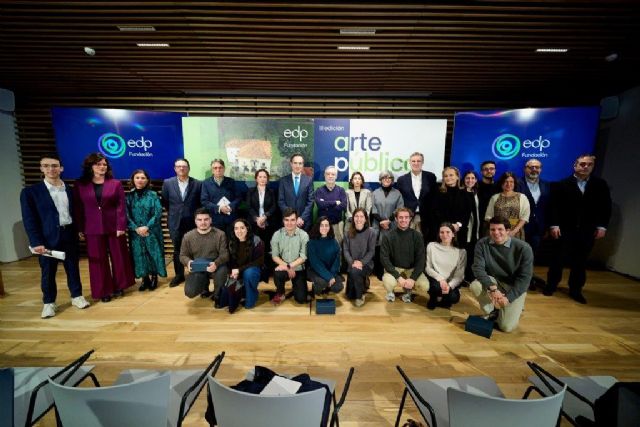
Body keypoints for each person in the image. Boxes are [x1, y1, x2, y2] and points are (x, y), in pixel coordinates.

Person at [20, 153, 90, 318]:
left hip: (69, 233)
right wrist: (36, 241)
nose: (51, 169)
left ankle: (77, 296)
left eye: (54, 165)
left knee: (72, 268)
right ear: (41, 168)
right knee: (48, 271)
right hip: (46, 238)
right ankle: (49, 302)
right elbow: (29, 220)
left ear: (61, 168)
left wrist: (80, 229)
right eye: (46, 166)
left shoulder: (71, 191)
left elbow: (77, 213)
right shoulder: (31, 192)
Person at [545, 154, 612, 304]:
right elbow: (554, 207)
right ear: (575, 165)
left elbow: (605, 207)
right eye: (582, 164)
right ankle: (551, 285)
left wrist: (602, 226)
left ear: (593, 166)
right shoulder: (562, 184)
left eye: (589, 164)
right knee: (558, 259)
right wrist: (554, 225)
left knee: (580, 262)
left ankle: (575, 290)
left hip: (587, 231)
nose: (585, 167)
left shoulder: (600, 185)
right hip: (564, 229)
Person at [73, 153, 134, 303]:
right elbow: (78, 208)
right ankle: (103, 290)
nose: (102, 167)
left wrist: (121, 225)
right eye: (98, 164)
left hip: (114, 226)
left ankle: (120, 285)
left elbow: (121, 206)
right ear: (91, 166)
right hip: (91, 227)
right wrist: (80, 228)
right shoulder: (80, 185)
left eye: (104, 164)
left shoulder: (115, 183)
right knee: (97, 260)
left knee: (119, 257)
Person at [470, 216, 534, 333]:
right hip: (494, 283)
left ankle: (513, 309)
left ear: (508, 231)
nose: (496, 233)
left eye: (500, 229)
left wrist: (509, 298)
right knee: (475, 285)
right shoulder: (482, 244)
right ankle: (492, 312)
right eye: (492, 229)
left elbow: (525, 279)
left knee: (506, 327)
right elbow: (478, 268)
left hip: (514, 286)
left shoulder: (524, 248)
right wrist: (493, 289)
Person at [161, 158, 202, 287]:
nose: (181, 168)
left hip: (192, 222)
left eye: (184, 166)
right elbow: (165, 202)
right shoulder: (167, 183)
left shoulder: (198, 184)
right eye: (179, 166)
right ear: (175, 169)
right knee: (177, 250)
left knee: (195, 249)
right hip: (175, 222)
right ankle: (179, 275)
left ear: (188, 168)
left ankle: (196, 274)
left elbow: (200, 203)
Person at [126, 169, 167, 291]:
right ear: (133, 179)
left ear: (147, 180)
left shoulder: (153, 195)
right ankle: (144, 279)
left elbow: (158, 212)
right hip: (136, 232)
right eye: (137, 177)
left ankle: (154, 277)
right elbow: (126, 214)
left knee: (153, 253)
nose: (140, 180)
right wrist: (135, 228)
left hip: (152, 230)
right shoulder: (129, 196)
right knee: (139, 255)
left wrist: (147, 226)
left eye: (143, 178)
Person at [180, 208, 229, 306]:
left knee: (222, 271)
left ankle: (217, 294)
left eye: (206, 219)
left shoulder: (220, 234)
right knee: (190, 292)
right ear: (195, 221)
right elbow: (182, 255)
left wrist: (216, 263)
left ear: (211, 220)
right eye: (199, 220)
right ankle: (204, 289)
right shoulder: (188, 236)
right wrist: (188, 262)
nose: (203, 222)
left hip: (215, 264)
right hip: (198, 266)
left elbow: (225, 255)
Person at [380, 207, 429, 303]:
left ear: (410, 218)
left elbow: (421, 260)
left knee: (424, 286)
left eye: (406, 217)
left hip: (411, 269)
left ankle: (408, 291)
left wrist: (413, 279)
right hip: (395, 268)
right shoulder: (388, 236)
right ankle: (390, 292)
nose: (403, 220)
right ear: (396, 219)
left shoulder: (417, 236)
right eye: (401, 217)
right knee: (388, 283)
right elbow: (384, 259)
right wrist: (398, 277)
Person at [517, 159, 551, 289]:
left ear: (541, 169)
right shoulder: (517, 183)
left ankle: (528, 278)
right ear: (525, 169)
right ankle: (518, 279)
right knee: (519, 254)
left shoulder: (547, 185)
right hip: (521, 227)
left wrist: (547, 226)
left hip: (538, 227)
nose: (534, 170)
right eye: (531, 167)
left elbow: (549, 207)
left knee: (532, 254)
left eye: (537, 167)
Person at [270, 208, 309, 305]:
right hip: (284, 267)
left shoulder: (304, 235)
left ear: (297, 220)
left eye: (292, 220)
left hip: (299, 268)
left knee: (301, 299)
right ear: (283, 221)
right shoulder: (277, 235)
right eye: (286, 220)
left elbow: (303, 257)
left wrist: (290, 266)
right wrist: (287, 268)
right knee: (277, 273)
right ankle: (281, 292)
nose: (289, 223)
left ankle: (298, 286)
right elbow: (275, 256)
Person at [371, 170, 404, 279]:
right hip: (378, 225)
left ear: (392, 180)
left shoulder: (397, 193)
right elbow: (373, 209)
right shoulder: (375, 192)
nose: (387, 180)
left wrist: (388, 220)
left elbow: (399, 209)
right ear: (380, 180)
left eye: (389, 178)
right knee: (379, 249)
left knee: (391, 249)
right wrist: (381, 221)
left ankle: (390, 272)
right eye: (384, 178)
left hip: (392, 225)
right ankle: (379, 272)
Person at [425, 223, 466, 310]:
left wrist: (449, 285)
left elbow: (459, 275)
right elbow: (428, 267)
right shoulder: (431, 246)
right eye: (442, 232)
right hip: (436, 279)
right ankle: (433, 298)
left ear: (453, 234)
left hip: (450, 281)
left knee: (454, 297)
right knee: (435, 288)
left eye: (448, 232)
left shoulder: (461, 252)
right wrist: (440, 279)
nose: (444, 235)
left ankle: (444, 301)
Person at [426, 166, 472, 244]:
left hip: (459, 232)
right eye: (445, 176)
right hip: (440, 231)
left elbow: (466, 214)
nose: (448, 178)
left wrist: (458, 225)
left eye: (451, 175)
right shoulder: (437, 193)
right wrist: (447, 226)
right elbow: (434, 212)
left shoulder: (465, 194)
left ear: (457, 176)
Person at [395, 152, 437, 237]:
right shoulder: (401, 180)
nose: (416, 163)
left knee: (422, 241)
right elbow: (399, 200)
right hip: (407, 217)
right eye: (413, 161)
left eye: (419, 161)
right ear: (409, 162)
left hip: (426, 216)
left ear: (422, 162)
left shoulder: (431, 177)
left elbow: (434, 197)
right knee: (406, 240)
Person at [246, 168, 277, 279]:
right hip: (254, 224)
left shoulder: (271, 192)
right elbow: (249, 207)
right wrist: (257, 219)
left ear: (267, 179)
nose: (262, 179)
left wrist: (264, 217)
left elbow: (274, 207)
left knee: (267, 246)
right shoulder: (250, 191)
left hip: (268, 223)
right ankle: (256, 269)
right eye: (260, 177)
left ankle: (267, 271)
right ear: (256, 178)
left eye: (265, 177)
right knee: (256, 247)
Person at [343, 208, 377, 307]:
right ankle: (363, 282)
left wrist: (361, 263)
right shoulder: (347, 233)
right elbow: (346, 251)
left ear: (366, 219)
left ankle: (360, 296)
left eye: (361, 216)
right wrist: (352, 263)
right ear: (353, 218)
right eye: (356, 216)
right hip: (352, 264)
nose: (359, 219)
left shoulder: (372, 232)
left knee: (355, 272)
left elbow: (371, 251)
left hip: (366, 264)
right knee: (349, 295)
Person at [228, 218, 264, 309]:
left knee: (249, 273)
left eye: (242, 228)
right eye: (236, 228)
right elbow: (230, 262)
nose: (239, 231)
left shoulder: (256, 240)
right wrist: (232, 272)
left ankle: (251, 298)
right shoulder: (231, 242)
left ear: (247, 228)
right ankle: (242, 291)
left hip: (253, 271)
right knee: (228, 301)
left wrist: (239, 270)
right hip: (238, 272)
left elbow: (259, 261)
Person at [485, 171, 530, 240]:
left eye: (511, 182)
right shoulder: (495, 197)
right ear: (501, 183)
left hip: (516, 233)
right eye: (506, 181)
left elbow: (524, 217)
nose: (508, 184)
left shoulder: (522, 197)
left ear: (514, 183)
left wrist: (514, 231)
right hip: (497, 234)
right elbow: (489, 216)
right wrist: (498, 230)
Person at [307, 216, 344, 297]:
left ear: (329, 227)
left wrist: (332, 275)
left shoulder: (334, 241)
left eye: (326, 225)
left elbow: (336, 262)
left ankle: (326, 287)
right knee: (322, 282)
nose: (324, 228)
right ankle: (317, 288)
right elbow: (315, 264)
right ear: (318, 227)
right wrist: (329, 277)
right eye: (322, 225)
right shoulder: (312, 242)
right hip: (315, 271)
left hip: (330, 270)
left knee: (339, 287)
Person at [201, 159, 240, 234]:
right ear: (212, 170)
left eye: (220, 167)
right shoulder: (206, 183)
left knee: (230, 243)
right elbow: (204, 201)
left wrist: (230, 207)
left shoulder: (231, 182)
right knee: (216, 244)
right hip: (214, 220)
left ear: (224, 169)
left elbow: (238, 198)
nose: (218, 170)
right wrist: (219, 208)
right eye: (215, 168)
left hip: (231, 219)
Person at [277, 153, 314, 231]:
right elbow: (281, 201)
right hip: (288, 222)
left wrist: (302, 218)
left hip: (304, 222)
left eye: (300, 163)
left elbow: (310, 201)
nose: (298, 166)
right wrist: (292, 218)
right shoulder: (283, 181)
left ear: (303, 164)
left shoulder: (309, 180)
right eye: (295, 163)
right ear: (291, 164)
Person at [314, 166, 347, 245]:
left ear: (336, 176)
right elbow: (320, 205)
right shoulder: (319, 190)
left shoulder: (341, 190)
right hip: (322, 227)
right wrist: (335, 202)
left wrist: (326, 205)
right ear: (324, 176)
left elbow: (344, 205)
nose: (330, 176)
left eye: (333, 174)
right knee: (322, 248)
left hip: (337, 225)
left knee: (338, 249)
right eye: (328, 174)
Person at [462, 170, 480, 282]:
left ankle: (470, 275)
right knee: (464, 252)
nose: (470, 180)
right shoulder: (461, 193)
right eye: (468, 178)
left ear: (476, 180)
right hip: (465, 229)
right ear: (464, 180)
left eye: (472, 178)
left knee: (472, 253)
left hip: (475, 228)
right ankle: (462, 276)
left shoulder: (477, 193)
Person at [477, 160, 500, 232]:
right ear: (481, 171)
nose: (489, 171)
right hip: (479, 222)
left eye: (491, 169)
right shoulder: (475, 186)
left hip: (496, 222)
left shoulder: (500, 186)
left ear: (495, 170)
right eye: (486, 169)